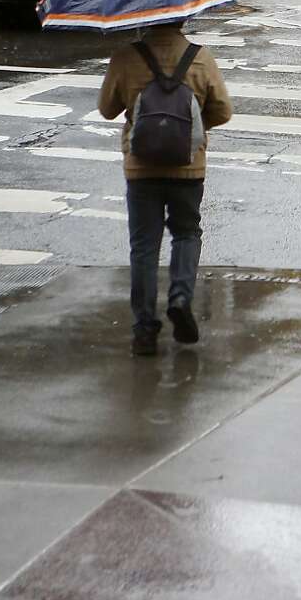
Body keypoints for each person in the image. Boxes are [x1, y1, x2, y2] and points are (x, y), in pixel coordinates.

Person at [97, 19, 232, 357]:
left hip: (140, 168)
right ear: (182, 18)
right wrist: (191, 126)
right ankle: (181, 296)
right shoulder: (201, 58)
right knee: (187, 233)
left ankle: (144, 329)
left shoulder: (125, 58)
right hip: (188, 166)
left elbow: (106, 109)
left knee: (143, 246)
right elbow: (224, 111)